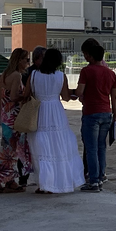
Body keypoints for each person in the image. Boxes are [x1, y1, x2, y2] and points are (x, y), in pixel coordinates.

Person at [25, 47, 86, 194]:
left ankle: (43, 184)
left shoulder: (33, 75)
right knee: (58, 147)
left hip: (39, 112)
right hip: (56, 113)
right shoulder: (61, 76)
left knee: (41, 149)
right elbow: (65, 97)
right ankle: (57, 183)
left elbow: (26, 93)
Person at [75, 38, 116, 192]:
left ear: (91, 56)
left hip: (91, 113)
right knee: (101, 148)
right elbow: (114, 97)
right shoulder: (111, 73)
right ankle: (100, 177)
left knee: (91, 148)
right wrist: (115, 116)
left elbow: (79, 91)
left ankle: (93, 181)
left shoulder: (86, 71)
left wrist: (75, 94)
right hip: (107, 113)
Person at [0, 48, 33, 194]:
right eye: (26, 59)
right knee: (9, 151)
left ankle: (9, 181)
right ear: (19, 60)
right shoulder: (16, 76)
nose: (28, 62)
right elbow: (14, 96)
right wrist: (26, 96)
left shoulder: (5, 74)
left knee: (9, 149)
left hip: (6, 115)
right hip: (13, 117)